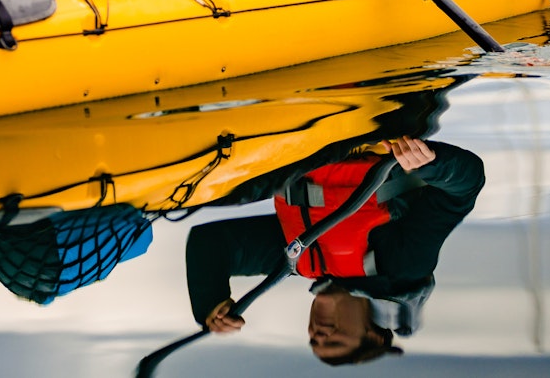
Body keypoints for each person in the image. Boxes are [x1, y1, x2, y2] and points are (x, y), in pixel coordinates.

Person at [184, 137, 485, 365]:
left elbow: (209, 243)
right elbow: (466, 186)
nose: (319, 333)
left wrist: (210, 304)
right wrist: (432, 162)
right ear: (374, 333)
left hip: (294, 143)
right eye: (335, 341)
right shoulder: (401, 265)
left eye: (314, 339)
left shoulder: (302, 262)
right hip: (373, 129)